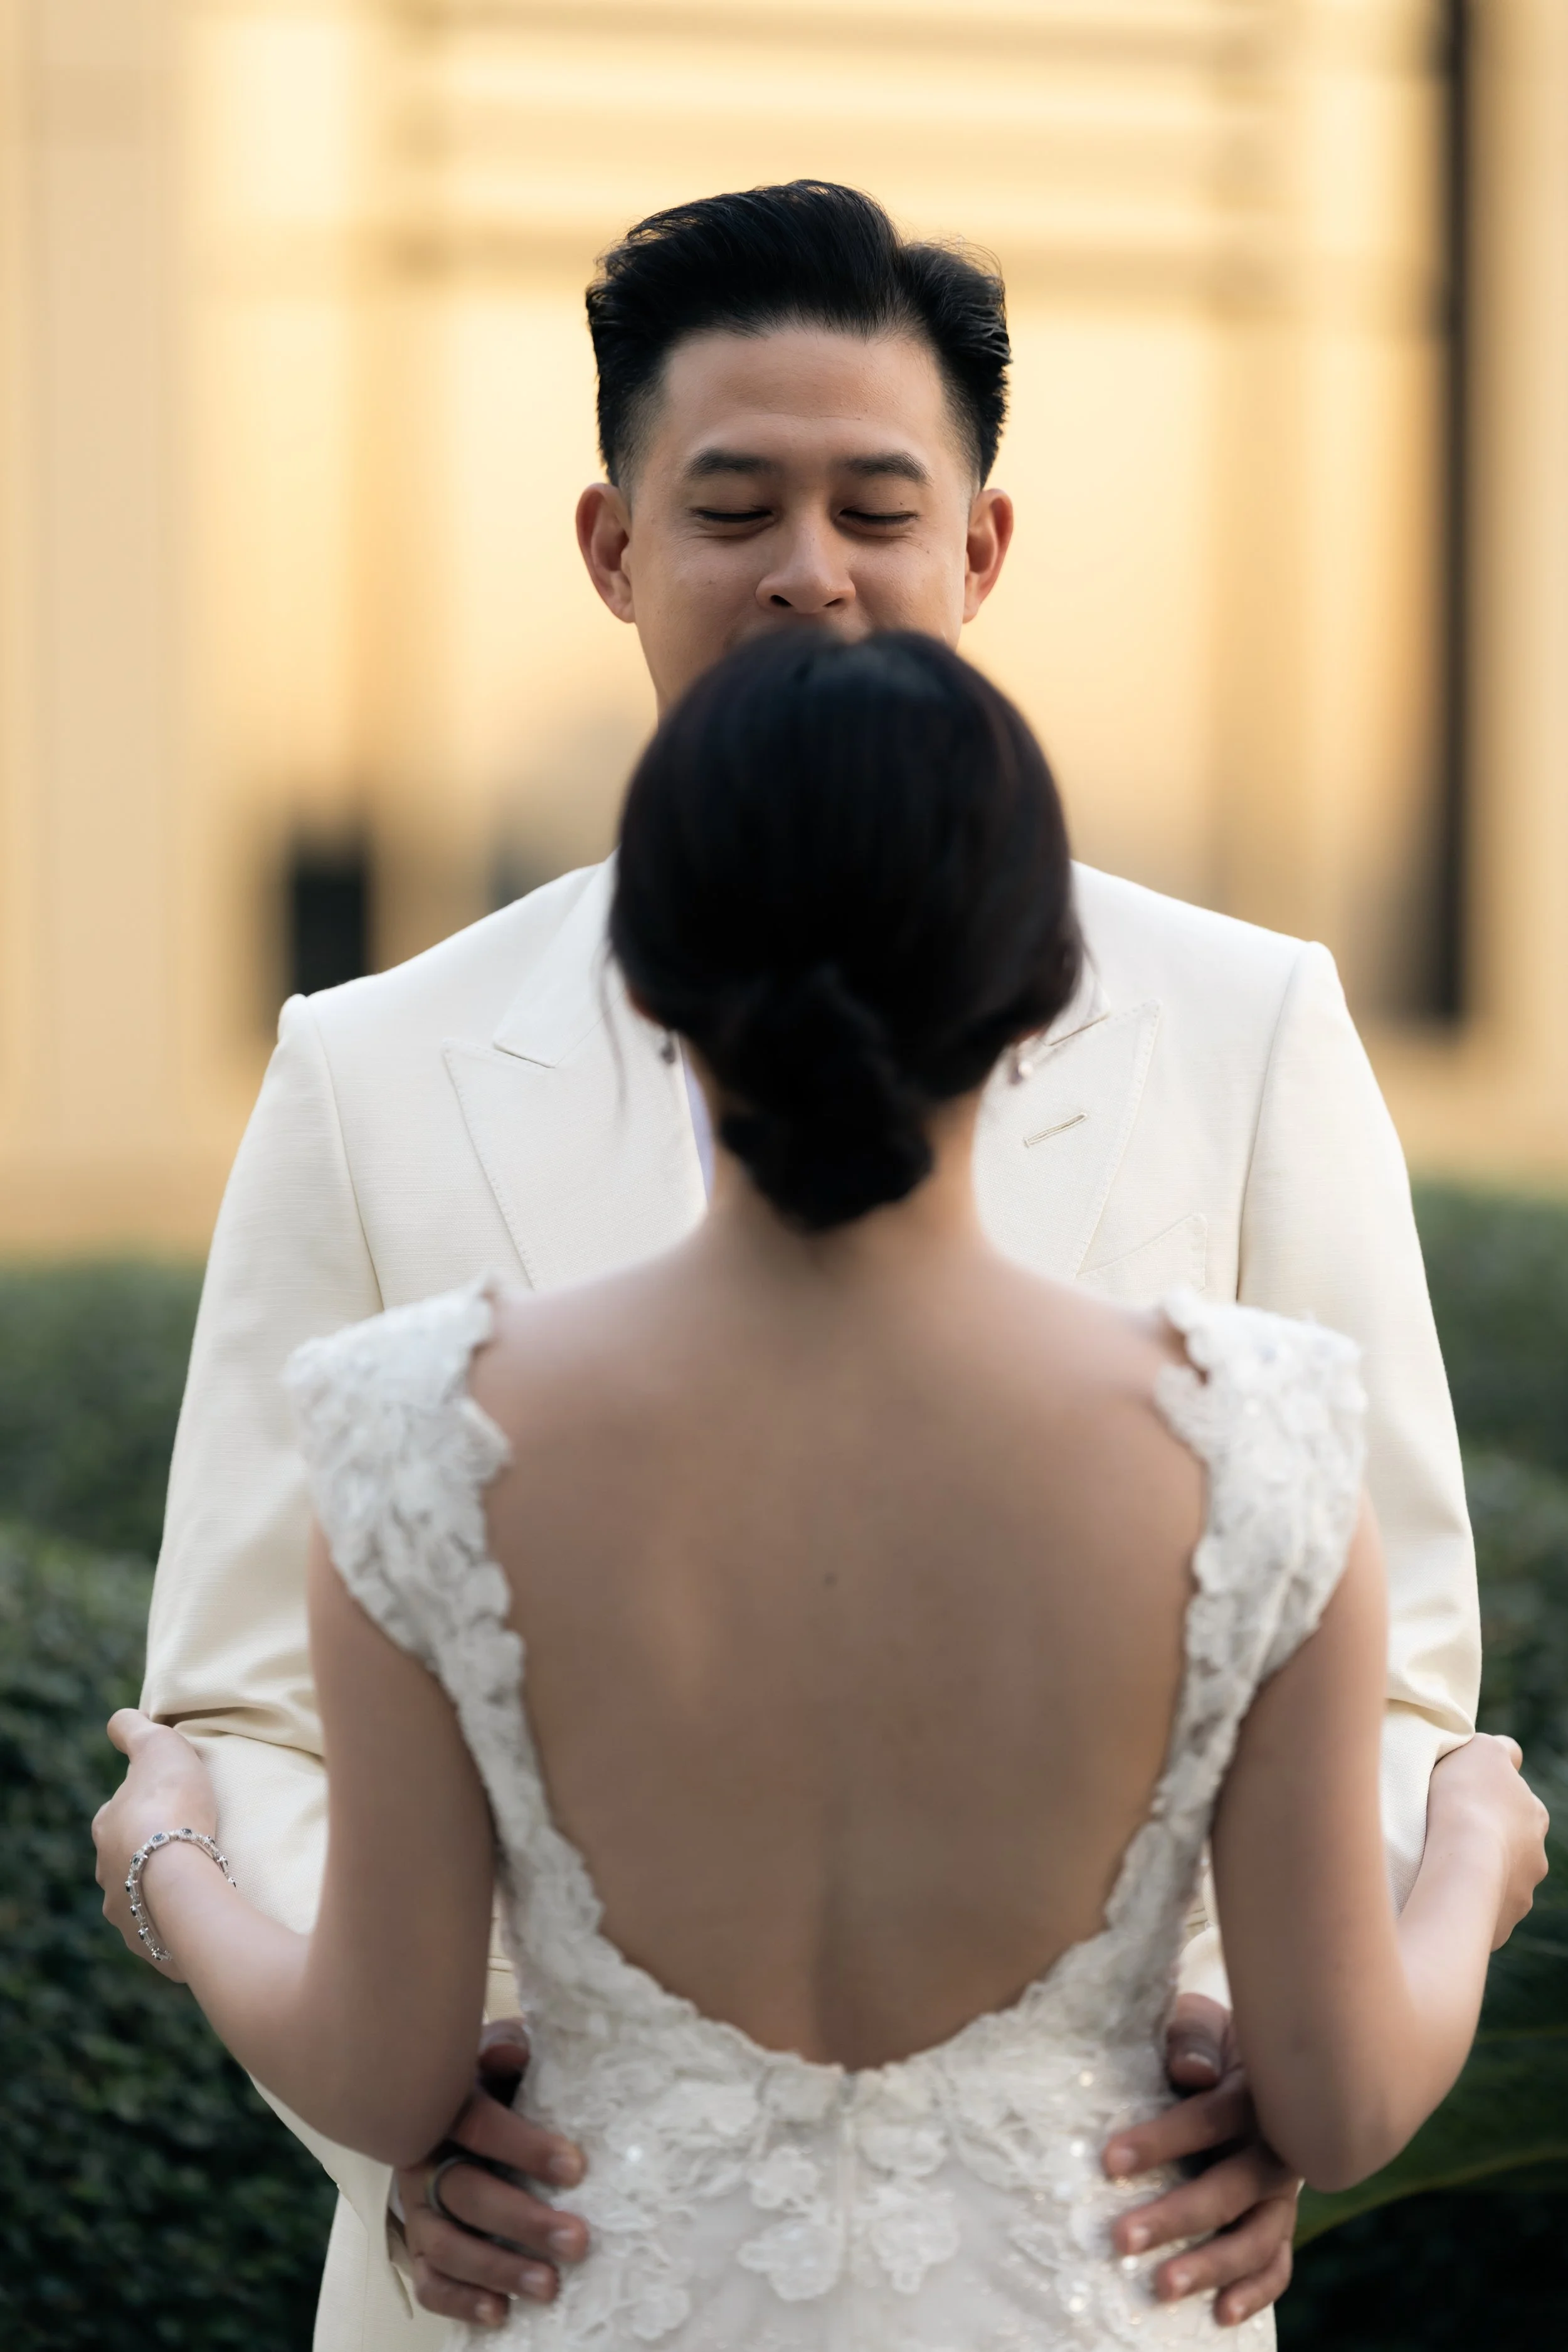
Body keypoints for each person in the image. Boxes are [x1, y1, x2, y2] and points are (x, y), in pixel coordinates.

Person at [125, 183, 1480, 2346]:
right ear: (611, 545)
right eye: (734, 507)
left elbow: (1393, 1662)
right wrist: (428, 2122)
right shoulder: (366, 1069)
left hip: (1098, 2222)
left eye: (877, 505)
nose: (811, 573)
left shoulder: (1248, 1024)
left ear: (983, 543)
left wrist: (1239, 2070)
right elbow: (245, 1694)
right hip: (529, 2262)